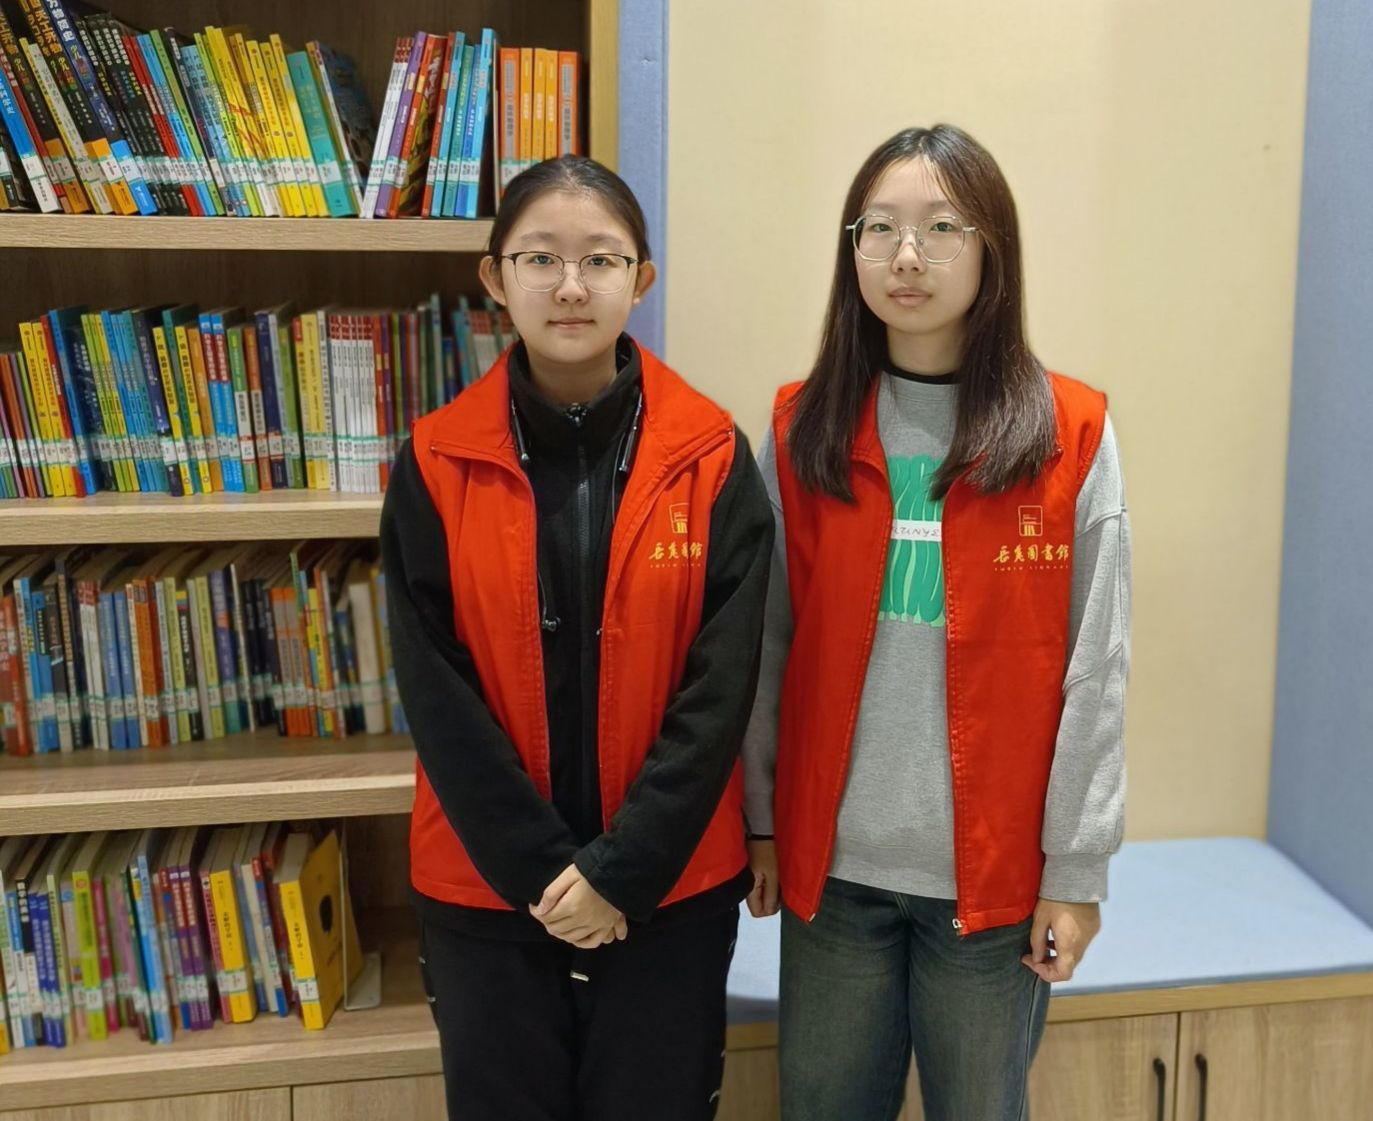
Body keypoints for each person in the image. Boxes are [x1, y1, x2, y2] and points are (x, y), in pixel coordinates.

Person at [742, 124, 1130, 1120]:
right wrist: (759, 819)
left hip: (993, 887)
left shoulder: (1071, 431)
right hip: (834, 876)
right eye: (878, 228)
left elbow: (1096, 669)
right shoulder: (799, 424)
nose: (906, 255)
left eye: (941, 227)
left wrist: (1075, 872)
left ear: (992, 247)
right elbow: (765, 645)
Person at [381, 156, 774, 1121]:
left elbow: (720, 693)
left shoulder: (713, 457)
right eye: (540, 258)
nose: (569, 285)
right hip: (487, 895)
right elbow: (435, 691)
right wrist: (544, 875)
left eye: (600, 259)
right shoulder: (433, 461)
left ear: (642, 279)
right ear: (494, 277)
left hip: (667, 895)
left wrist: (619, 876)